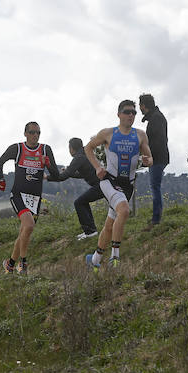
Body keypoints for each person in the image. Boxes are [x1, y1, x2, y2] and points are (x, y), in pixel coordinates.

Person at [83, 100, 153, 271]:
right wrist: (98, 167)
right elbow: (88, 148)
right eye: (127, 112)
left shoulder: (140, 135)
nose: (131, 115)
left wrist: (147, 161)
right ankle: (115, 257)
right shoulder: (108, 133)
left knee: (110, 224)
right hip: (109, 180)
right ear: (119, 114)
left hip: (127, 185)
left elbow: (150, 159)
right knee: (124, 210)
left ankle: (94, 260)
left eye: (134, 113)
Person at [0, 122, 61, 274]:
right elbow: (0, 162)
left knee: (25, 231)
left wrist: (48, 164)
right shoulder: (17, 148)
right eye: (32, 132)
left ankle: (10, 264)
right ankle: (23, 264)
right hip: (18, 194)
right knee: (29, 225)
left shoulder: (45, 149)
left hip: (35, 198)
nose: (35, 135)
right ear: (25, 133)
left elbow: (56, 175)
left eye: (38, 133)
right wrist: (1, 179)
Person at [45, 137, 103, 239]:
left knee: (79, 202)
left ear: (71, 148)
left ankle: (90, 231)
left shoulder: (79, 157)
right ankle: (91, 230)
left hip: (101, 185)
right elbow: (83, 174)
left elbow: (62, 177)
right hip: (103, 184)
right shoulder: (85, 153)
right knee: (82, 202)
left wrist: (47, 177)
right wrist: (70, 173)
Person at [139, 94, 169, 228]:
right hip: (158, 157)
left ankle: (156, 220)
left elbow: (157, 141)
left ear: (143, 106)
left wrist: (149, 156)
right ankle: (156, 218)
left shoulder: (156, 118)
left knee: (155, 187)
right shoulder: (156, 116)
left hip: (157, 158)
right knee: (155, 187)